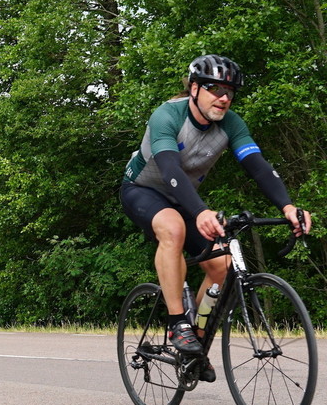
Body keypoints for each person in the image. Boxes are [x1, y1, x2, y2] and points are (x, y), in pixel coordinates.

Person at [120, 54, 311, 381]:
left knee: (222, 266)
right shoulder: (167, 115)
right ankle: (178, 324)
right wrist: (201, 213)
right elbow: (170, 170)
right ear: (194, 88)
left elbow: (260, 169)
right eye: (214, 89)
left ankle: (195, 341)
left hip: (185, 198)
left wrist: (288, 207)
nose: (224, 98)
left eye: (230, 92)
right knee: (174, 229)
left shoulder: (231, 124)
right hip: (143, 190)